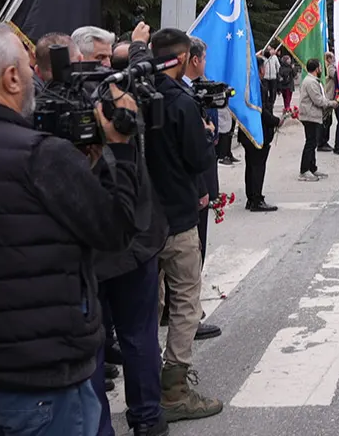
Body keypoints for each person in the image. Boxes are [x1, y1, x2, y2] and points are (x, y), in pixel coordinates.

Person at [0, 22, 144, 435]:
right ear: (10, 77)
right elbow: (114, 231)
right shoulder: (43, 157)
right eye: (25, 66)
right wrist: (122, 150)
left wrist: (84, 166)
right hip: (40, 372)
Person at [91, 23, 170, 436]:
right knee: (136, 336)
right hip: (126, 241)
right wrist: (139, 48)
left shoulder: (52, 99)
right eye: (103, 59)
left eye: (112, 59)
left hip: (97, 248)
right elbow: (146, 86)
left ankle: (114, 421)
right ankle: (141, 417)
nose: (110, 67)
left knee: (102, 342)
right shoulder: (112, 97)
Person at [143, 28, 223, 422]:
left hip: (139, 220)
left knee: (146, 305)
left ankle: (144, 390)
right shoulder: (179, 102)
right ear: (181, 58)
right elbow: (197, 159)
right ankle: (173, 390)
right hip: (175, 217)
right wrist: (207, 136)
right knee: (185, 304)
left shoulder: (133, 93)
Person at [182, 37, 222, 341]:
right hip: (191, 187)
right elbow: (190, 150)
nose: (205, 64)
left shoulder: (197, 89)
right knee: (192, 250)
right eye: (204, 58)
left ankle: (182, 306)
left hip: (199, 181)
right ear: (194, 59)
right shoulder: (181, 95)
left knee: (197, 249)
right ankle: (186, 311)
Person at [239, 57, 282, 211]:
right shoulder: (257, 86)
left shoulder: (245, 84)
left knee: (250, 166)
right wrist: (276, 121)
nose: (264, 70)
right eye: (263, 67)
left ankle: (251, 197)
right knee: (257, 166)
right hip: (257, 132)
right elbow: (261, 110)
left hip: (246, 132)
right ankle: (256, 199)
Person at [297, 57, 333, 181]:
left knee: (313, 143)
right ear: (316, 68)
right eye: (320, 67)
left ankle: (312, 168)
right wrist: (331, 103)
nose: (322, 69)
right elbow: (318, 100)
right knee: (310, 143)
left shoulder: (313, 80)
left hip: (314, 116)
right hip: (310, 116)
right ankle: (304, 170)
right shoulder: (310, 82)